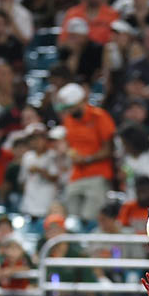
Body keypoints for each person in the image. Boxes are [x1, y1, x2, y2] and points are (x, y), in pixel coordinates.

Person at [55, 83, 115, 221]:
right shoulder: (68, 120)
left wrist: (87, 159)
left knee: (91, 217)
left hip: (98, 174)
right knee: (71, 218)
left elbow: (109, 149)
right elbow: (71, 144)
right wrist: (69, 153)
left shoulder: (99, 116)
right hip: (76, 174)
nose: (68, 111)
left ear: (80, 102)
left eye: (70, 107)